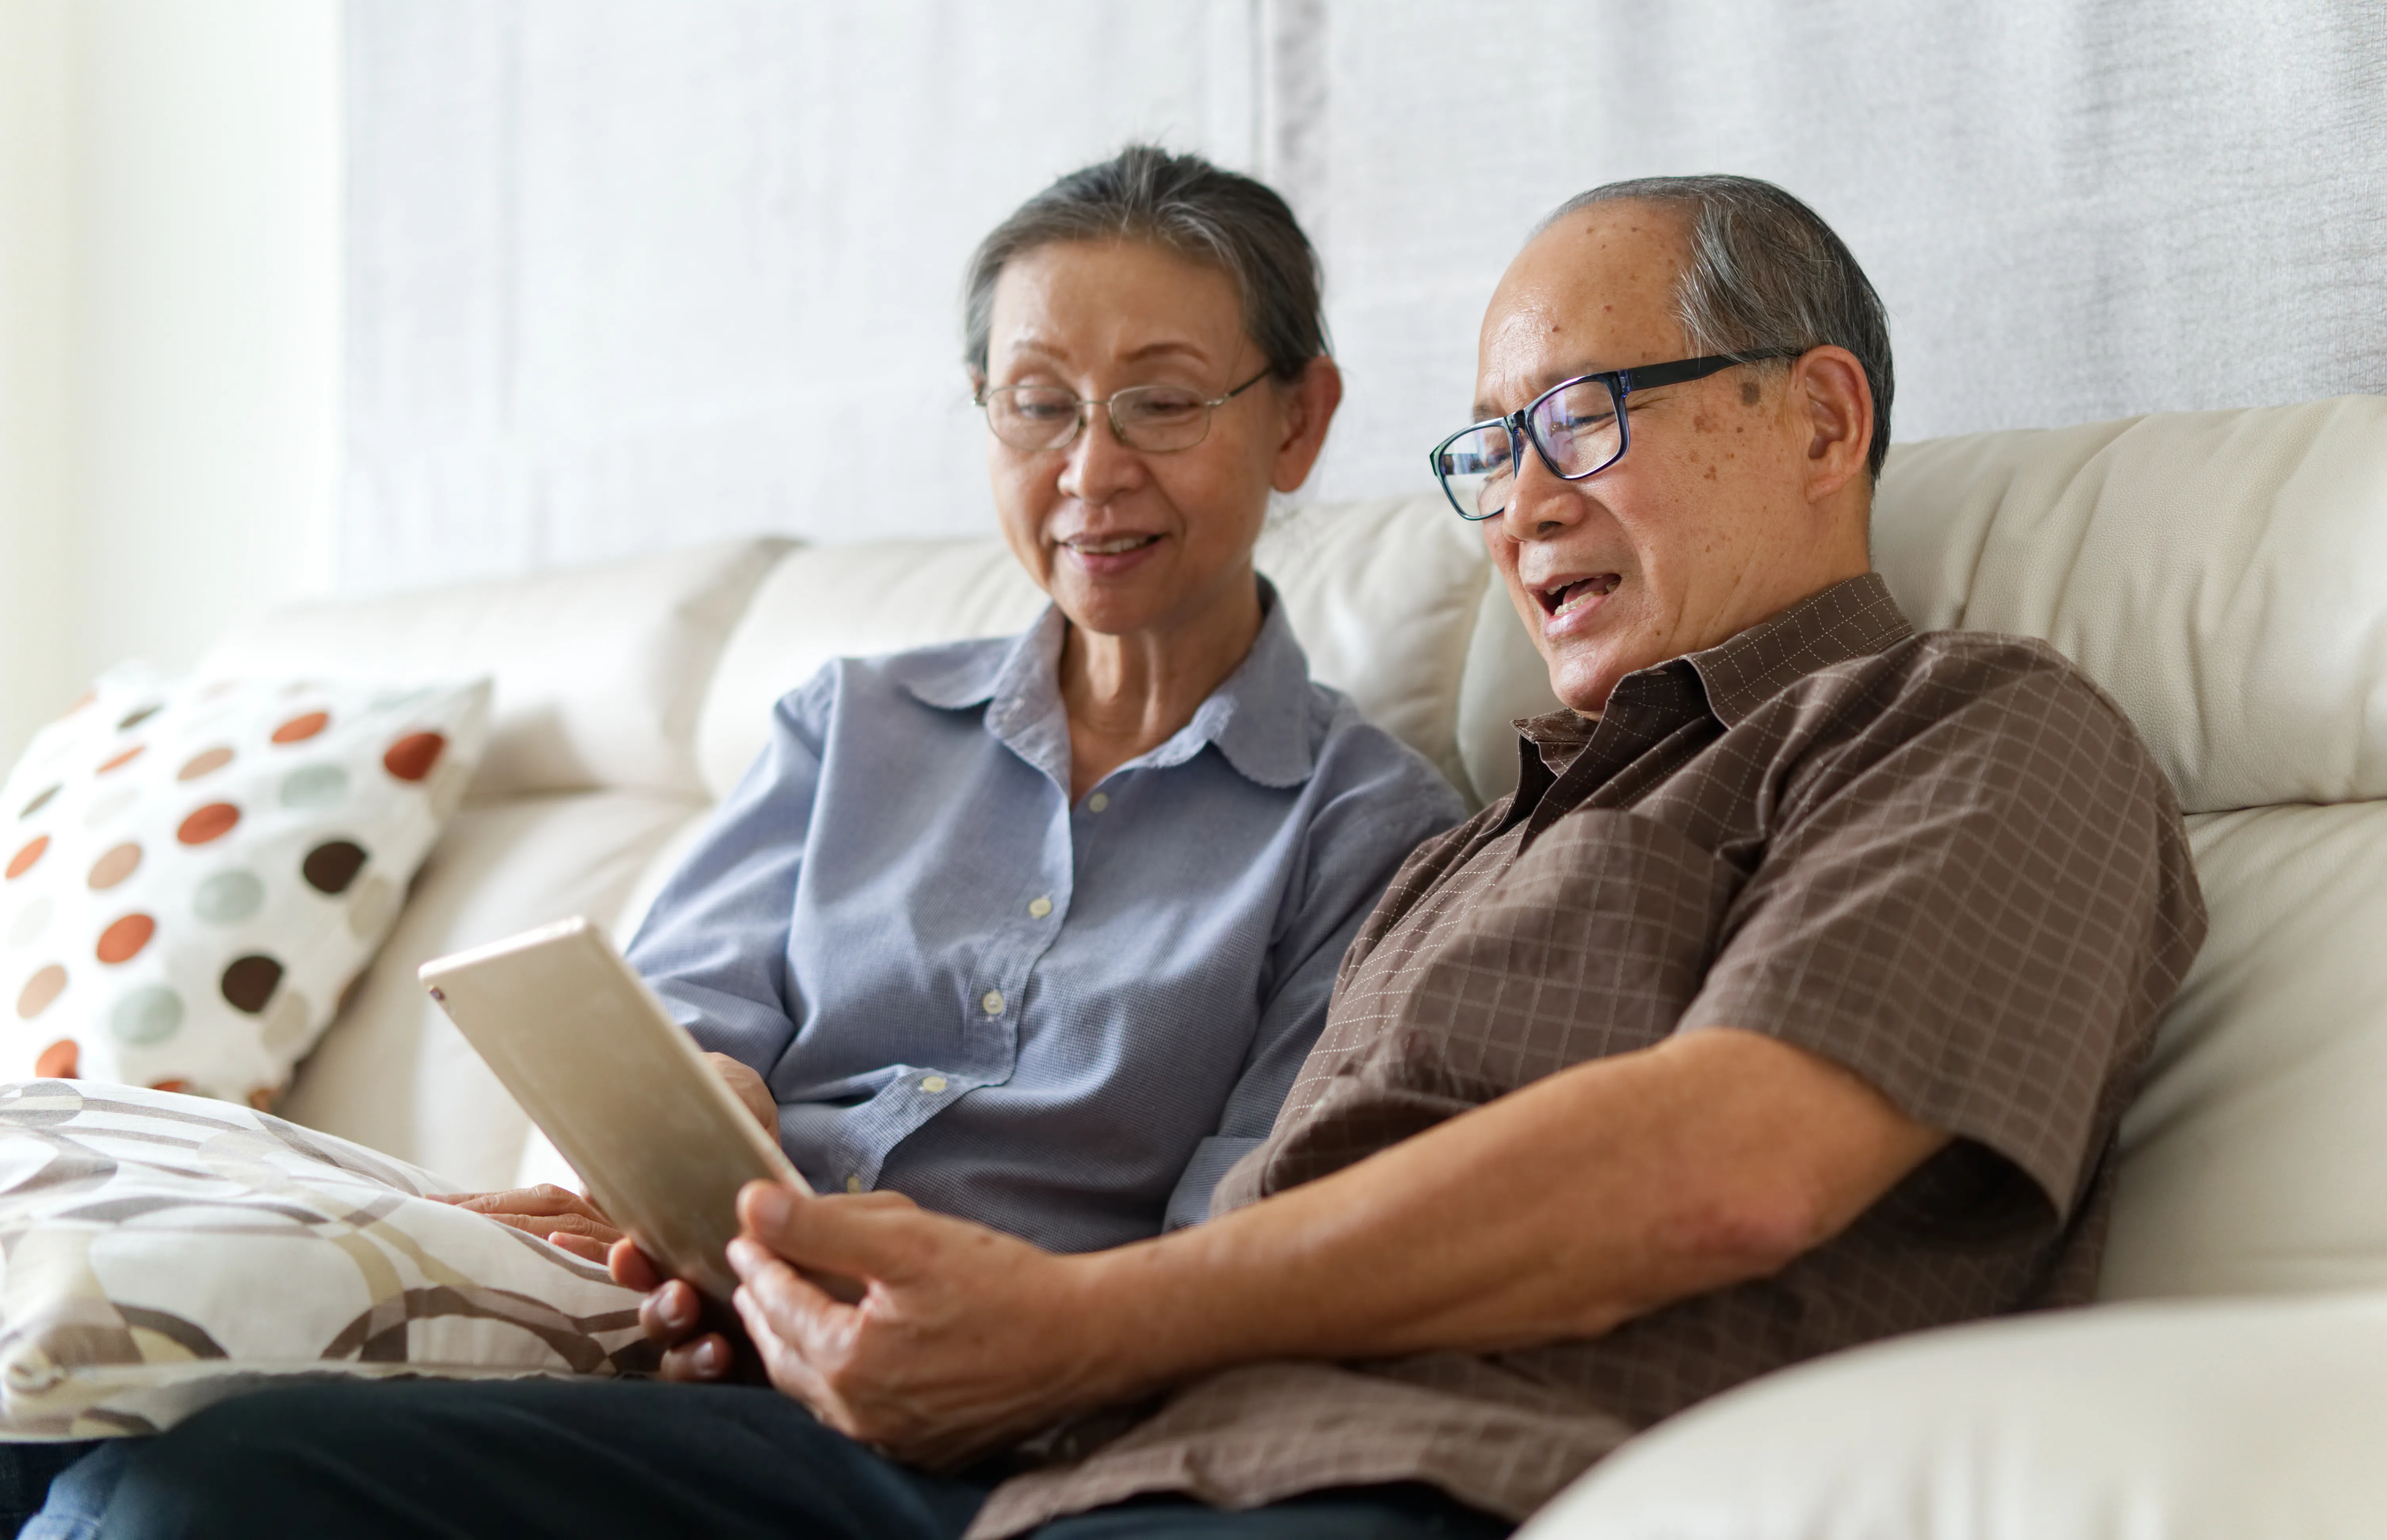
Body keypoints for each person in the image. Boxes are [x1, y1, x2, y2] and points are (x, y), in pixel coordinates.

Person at [41, 176, 2204, 1540]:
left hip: (1358, 1473)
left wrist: (1070, 1323)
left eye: (1586, 414)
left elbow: (1726, 1165)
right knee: (186, 1482)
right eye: (1493, 446)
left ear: (1819, 418)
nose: (1522, 498)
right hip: (1055, 1458)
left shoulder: (1970, 730)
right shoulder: (1506, 828)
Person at [8, 146, 1462, 1534]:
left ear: (1299, 418)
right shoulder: (854, 725)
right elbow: (672, 1017)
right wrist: (687, 1119)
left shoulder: (1370, 827)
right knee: (62, 1428)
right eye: (1037, 404)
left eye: (1158, 403)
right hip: (680, 1340)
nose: (1090, 470)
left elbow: (1240, 1238)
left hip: (980, 1426)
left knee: (193, 1492)